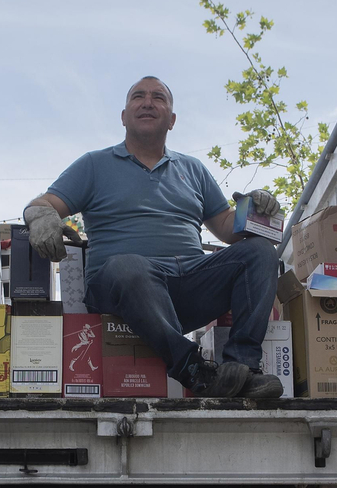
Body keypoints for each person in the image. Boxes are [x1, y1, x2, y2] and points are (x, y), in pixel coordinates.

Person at [23, 76, 284, 398]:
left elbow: (228, 228)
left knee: (259, 251)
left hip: (188, 285)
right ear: (124, 116)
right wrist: (41, 216)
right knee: (130, 266)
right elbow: (43, 203)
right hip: (122, 288)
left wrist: (257, 209)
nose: (148, 102)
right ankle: (195, 370)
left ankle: (244, 370)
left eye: (158, 97)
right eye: (138, 96)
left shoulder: (193, 169)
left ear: (172, 120)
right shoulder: (94, 165)